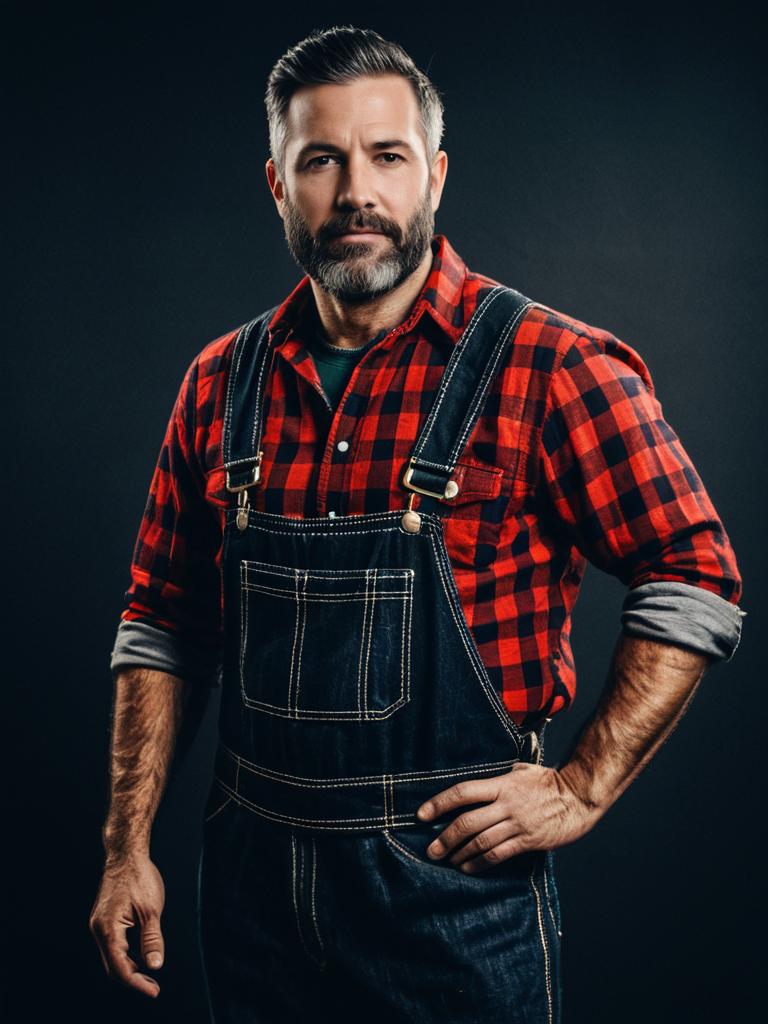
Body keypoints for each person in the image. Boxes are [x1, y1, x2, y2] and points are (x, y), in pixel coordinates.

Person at [89, 25, 746, 1024]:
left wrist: (580, 786)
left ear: (433, 175)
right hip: (251, 890)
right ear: (277, 185)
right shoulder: (218, 384)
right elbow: (163, 624)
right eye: (321, 160)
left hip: (450, 896)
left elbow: (695, 574)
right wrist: (124, 846)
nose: (358, 192)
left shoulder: (550, 364)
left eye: (387, 156)